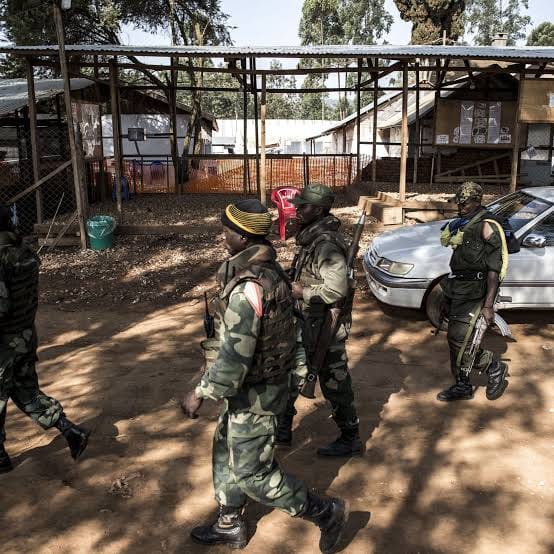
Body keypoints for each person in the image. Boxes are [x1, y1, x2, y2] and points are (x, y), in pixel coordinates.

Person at [182, 199, 347, 553]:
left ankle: (325, 512)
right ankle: (230, 522)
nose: (222, 235)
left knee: (253, 475)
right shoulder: (268, 270)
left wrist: (199, 391)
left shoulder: (249, 288)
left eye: (227, 231)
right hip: (253, 387)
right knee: (226, 448)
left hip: (257, 392)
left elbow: (234, 358)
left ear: (243, 238)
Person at [0, 204, 90, 474]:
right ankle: (69, 430)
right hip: (26, 336)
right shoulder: (24, 252)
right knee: (25, 391)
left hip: (4, 344)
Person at [275, 184, 362, 457]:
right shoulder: (311, 238)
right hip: (306, 321)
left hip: (325, 325)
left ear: (320, 210)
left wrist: (303, 291)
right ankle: (283, 429)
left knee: (334, 382)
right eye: (298, 205)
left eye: (304, 206)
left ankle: (350, 437)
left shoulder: (326, 244)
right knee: (290, 375)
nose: (298, 210)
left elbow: (336, 290)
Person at [437, 182, 509, 402]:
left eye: (464, 202)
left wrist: (488, 306)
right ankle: (462, 385)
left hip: (474, 292)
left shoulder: (488, 226)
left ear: (477, 201)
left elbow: (494, 271)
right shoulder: (465, 223)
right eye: (458, 202)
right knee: (455, 339)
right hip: (457, 287)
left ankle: (493, 366)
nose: (460, 206)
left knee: (459, 338)